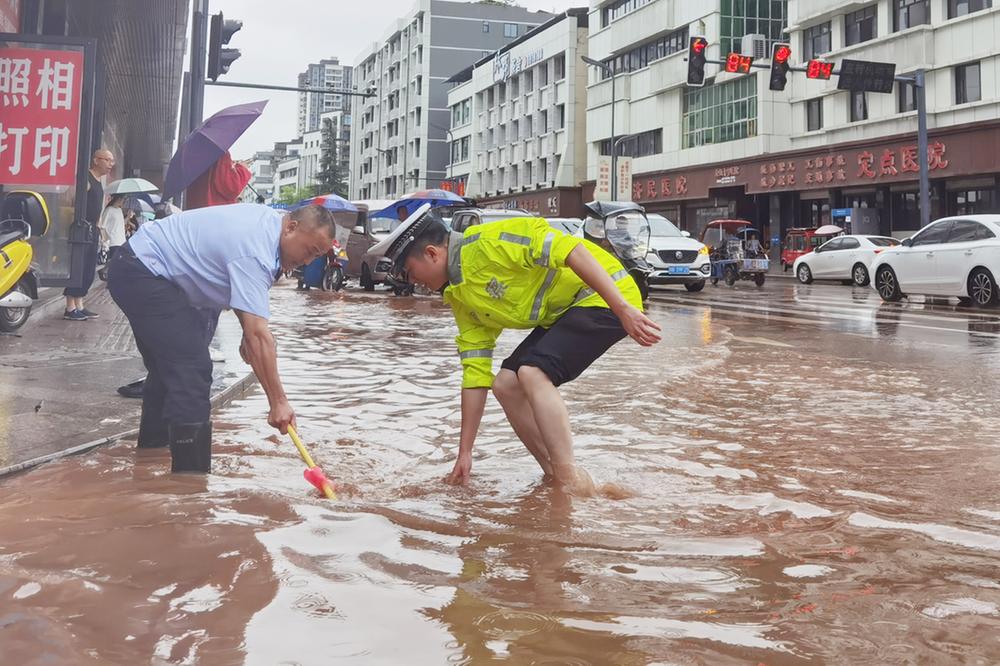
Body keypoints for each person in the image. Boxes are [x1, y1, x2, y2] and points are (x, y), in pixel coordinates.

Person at [370, 207, 662, 495]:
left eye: (409, 273)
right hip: (565, 313)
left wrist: (622, 308)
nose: (413, 283)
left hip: (606, 296)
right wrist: (465, 453)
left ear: (433, 253)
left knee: (532, 372)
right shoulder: (458, 295)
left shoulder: (490, 241)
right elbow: (476, 374)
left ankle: (568, 481)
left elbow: (572, 250)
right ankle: (555, 476)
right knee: (505, 384)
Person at [106, 203, 337, 473]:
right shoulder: (256, 249)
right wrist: (278, 402)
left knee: (169, 371)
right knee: (192, 371)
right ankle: (191, 486)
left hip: (151, 272)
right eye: (309, 251)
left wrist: (247, 331)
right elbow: (259, 337)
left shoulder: (267, 228)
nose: (307, 262)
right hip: (144, 272)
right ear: (292, 227)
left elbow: (246, 311)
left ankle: (149, 463)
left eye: (316, 257)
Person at [64, 148, 114, 321]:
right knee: (77, 267)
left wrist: (99, 227)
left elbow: (96, 208)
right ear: (96, 160)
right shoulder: (85, 178)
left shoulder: (99, 181)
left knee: (87, 269)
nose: (110, 165)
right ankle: (70, 307)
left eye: (112, 161)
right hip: (81, 229)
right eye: (107, 160)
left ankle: (79, 304)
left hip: (93, 230)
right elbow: (71, 201)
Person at [184, 150, 251, 210]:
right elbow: (231, 187)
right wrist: (243, 169)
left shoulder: (191, 152)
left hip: (194, 211)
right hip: (214, 212)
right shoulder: (220, 153)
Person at [96, 195, 127, 281]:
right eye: (123, 200)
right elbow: (102, 226)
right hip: (113, 240)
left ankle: (108, 274)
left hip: (121, 240)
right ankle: (107, 274)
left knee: (117, 261)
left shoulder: (120, 210)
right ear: (119, 199)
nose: (123, 202)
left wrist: (128, 217)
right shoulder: (109, 210)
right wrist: (105, 239)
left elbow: (121, 224)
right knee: (114, 261)